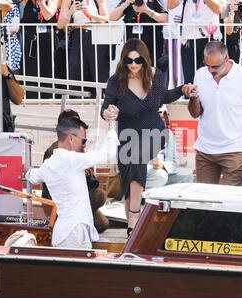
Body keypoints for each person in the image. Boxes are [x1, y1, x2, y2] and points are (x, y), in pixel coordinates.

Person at [101, 38, 195, 236]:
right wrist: (109, 113)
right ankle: (132, 228)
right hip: (127, 136)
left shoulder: (154, 75)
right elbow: (106, 107)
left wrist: (182, 89)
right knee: (130, 181)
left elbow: (165, 97)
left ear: (145, 60)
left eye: (138, 61)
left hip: (154, 132)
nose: (133, 65)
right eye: (129, 60)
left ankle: (134, 222)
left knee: (135, 163)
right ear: (123, 60)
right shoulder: (115, 81)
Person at [24, 117, 119, 249]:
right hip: (73, 231)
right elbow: (108, 152)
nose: (84, 145)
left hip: (66, 231)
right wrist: (112, 124)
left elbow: (32, 176)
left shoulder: (49, 164)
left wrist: (26, 169)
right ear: (71, 138)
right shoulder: (71, 159)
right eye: (83, 140)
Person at [188, 41, 242, 185]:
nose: (211, 70)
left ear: (226, 59)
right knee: (203, 202)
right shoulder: (200, 74)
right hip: (205, 150)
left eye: (215, 66)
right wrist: (193, 98)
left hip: (234, 150)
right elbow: (195, 114)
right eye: (207, 65)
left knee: (231, 202)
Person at [42, 109, 110, 233]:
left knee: (102, 224)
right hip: (60, 201)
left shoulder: (77, 147)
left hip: (76, 195)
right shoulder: (54, 150)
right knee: (99, 195)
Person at [57, 0, 110, 97]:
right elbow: (60, 24)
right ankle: (76, 101)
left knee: (99, 72)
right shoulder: (69, 1)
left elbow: (105, 19)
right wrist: (71, 11)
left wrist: (89, 14)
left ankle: (101, 100)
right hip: (78, 36)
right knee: (76, 70)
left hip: (97, 36)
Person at [167, 0, 226, 84]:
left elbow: (221, 10)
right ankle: (192, 96)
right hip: (188, 40)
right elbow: (171, 5)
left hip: (209, 39)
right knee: (190, 80)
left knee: (211, 78)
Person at [20, 0, 60, 99]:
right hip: (31, 38)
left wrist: (41, 3)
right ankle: (32, 97)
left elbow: (48, 15)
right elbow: (20, 12)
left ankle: (50, 97)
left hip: (48, 38)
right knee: (31, 69)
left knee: (49, 68)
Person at [109, 0, 168, 66]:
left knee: (150, 70)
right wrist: (125, 4)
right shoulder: (128, 1)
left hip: (151, 46)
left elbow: (165, 18)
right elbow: (112, 17)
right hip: (131, 46)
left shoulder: (155, 1)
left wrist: (146, 10)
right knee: (132, 70)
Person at [145, 113, 193, 189]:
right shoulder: (138, 130)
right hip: (143, 174)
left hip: (162, 172)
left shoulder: (168, 133)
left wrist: (163, 166)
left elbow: (173, 161)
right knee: (161, 175)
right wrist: (151, 166)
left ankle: (168, 199)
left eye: (164, 115)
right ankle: (142, 198)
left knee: (186, 174)